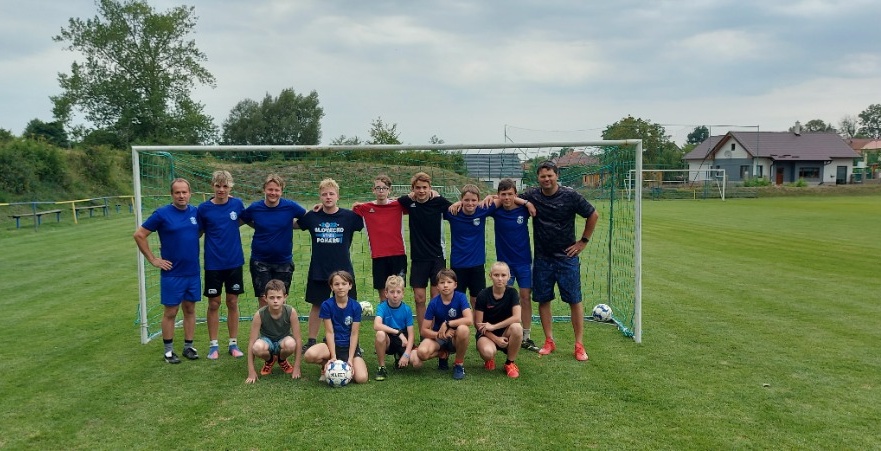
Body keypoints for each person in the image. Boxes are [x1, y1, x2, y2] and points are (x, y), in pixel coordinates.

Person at [521, 161, 599, 361]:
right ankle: (549, 340)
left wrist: (583, 242)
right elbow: (509, 197)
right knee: (543, 300)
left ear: (557, 176)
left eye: (550, 175)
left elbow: (593, 214)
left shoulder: (570, 196)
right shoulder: (532, 195)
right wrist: (527, 203)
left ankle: (579, 345)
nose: (546, 179)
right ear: (538, 178)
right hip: (543, 258)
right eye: (543, 176)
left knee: (574, 300)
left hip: (567, 258)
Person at [133, 178, 201, 364]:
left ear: (190, 193)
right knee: (171, 311)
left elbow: (198, 232)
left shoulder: (195, 212)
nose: (181, 196)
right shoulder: (162, 214)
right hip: (172, 273)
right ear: (171, 194)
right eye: (177, 192)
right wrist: (153, 259)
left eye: (184, 192)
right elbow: (139, 235)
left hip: (192, 271)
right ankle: (168, 351)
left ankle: (188, 347)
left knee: (190, 309)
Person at [296, 178, 364, 353]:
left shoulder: (349, 217)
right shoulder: (312, 216)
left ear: (338, 196)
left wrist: (360, 206)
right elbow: (295, 224)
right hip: (319, 269)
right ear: (320, 196)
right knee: (317, 305)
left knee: (348, 306)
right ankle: (311, 341)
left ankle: (353, 343)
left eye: (331, 194)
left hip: (343, 272)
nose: (328, 197)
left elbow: (370, 217)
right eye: (324, 194)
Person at [197, 170, 246, 360]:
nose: (221, 190)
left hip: (234, 262)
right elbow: (197, 232)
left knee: (232, 302)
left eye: (225, 186)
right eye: (218, 186)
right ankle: (213, 345)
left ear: (230, 187)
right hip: (213, 263)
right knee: (214, 303)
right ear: (212, 186)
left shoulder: (237, 204)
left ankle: (233, 343)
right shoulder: (203, 209)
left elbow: (243, 220)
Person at [240, 174, 306, 307]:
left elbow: (307, 218)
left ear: (281, 191)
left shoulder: (290, 207)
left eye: (277, 190)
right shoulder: (255, 208)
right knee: (264, 299)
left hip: (283, 261)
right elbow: (242, 219)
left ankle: (281, 321)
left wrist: (291, 225)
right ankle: (264, 322)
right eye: (270, 189)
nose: (273, 193)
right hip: (260, 261)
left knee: (280, 299)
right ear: (264, 189)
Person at [397, 172, 451, 334]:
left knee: (436, 298)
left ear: (430, 188)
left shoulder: (438, 202)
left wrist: (438, 194)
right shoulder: (408, 202)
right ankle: (424, 334)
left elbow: (456, 207)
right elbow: (394, 201)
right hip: (418, 259)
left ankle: (436, 334)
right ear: (413, 189)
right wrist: (409, 195)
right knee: (419, 298)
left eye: (425, 188)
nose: (421, 191)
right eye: (418, 188)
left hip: (437, 257)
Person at [490, 178, 540, 352]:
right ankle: (502, 333)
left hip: (524, 261)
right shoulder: (496, 210)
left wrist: (526, 203)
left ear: (515, 195)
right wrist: (490, 198)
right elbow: (486, 203)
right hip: (505, 265)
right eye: (503, 194)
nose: (506, 198)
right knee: (504, 298)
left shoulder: (523, 210)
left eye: (510, 194)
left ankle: (526, 336)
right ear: (498, 195)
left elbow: (530, 204)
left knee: (525, 297)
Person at [303, 271, 369, 384]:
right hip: (331, 346)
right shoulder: (326, 305)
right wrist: (333, 357)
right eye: (336, 284)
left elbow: (354, 334)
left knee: (361, 378)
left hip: (348, 347)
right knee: (309, 355)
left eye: (344, 283)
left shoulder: (356, 306)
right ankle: (329, 365)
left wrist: (350, 359)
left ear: (350, 286)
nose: (340, 287)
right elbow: (330, 332)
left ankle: (345, 366)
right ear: (331, 287)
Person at [352, 175, 408, 302]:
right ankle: (384, 315)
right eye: (378, 188)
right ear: (373, 190)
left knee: (397, 293)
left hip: (398, 254)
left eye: (384, 188)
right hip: (378, 256)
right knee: (383, 295)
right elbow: (347, 214)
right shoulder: (365, 208)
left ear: (389, 190)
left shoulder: (399, 205)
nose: (381, 191)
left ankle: (397, 315)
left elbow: (416, 200)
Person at [413, 269, 473, 380]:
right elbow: (424, 330)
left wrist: (448, 324)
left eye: (449, 282)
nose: (445, 285)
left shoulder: (461, 297)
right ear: (437, 286)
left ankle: (459, 365)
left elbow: (469, 319)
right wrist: (440, 334)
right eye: (442, 282)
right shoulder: (434, 303)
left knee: (463, 329)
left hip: (455, 337)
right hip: (439, 338)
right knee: (422, 353)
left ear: (455, 285)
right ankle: (442, 354)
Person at [443, 184, 495, 308]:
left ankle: (477, 321)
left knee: (477, 300)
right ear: (461, 199)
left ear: (479, 200)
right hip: (458, 264)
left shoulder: (482, 209)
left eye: (473, 200)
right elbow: (434, 205)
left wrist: (490, 196)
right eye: (466, 200)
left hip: (477, 264)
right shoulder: (453, 212)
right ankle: (460, 321)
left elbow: (504, 198)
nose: (470, 203)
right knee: (456, 300)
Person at [244, 279, 303, 383]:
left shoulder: (291, 312)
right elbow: (252, 342)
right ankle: (269, 360)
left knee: (291, 344)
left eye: (279, 297)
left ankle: (281, 360)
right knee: (257, 347)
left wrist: (297, 367)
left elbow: (298, 339)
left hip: (283, 341)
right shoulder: (259, 314)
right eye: (272, 297)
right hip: (267, 342)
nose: (275, 301)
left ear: (285, 297)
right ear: (265, 298)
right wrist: (251, 371)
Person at [474, 262, 524, 378]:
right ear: (490, 276)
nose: (500, 279)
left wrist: (494, 326)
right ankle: (489, 359)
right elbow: (478, 324)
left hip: (505, 332)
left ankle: (510, 363)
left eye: (503, 275)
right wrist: (496, 339)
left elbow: (517, 317)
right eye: (496, 275)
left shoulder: (512, 293)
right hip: (486, 333)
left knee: (517, 327)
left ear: (509, 276)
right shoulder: (483, 294)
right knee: (488, 352)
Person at [372, 275, 418, 381]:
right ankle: (382, 367)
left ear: (403, 293)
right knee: (380, 334)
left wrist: (406, 354)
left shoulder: (407, 309)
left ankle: (399, 355)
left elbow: (411, 335)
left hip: (403, 340)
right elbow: (376, 325)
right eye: (392, 292)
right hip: (389, 339)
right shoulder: (382, 307)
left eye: (398, 292)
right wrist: (398, 332)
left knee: (417, 363)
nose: (395, 295)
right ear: (386, 293)